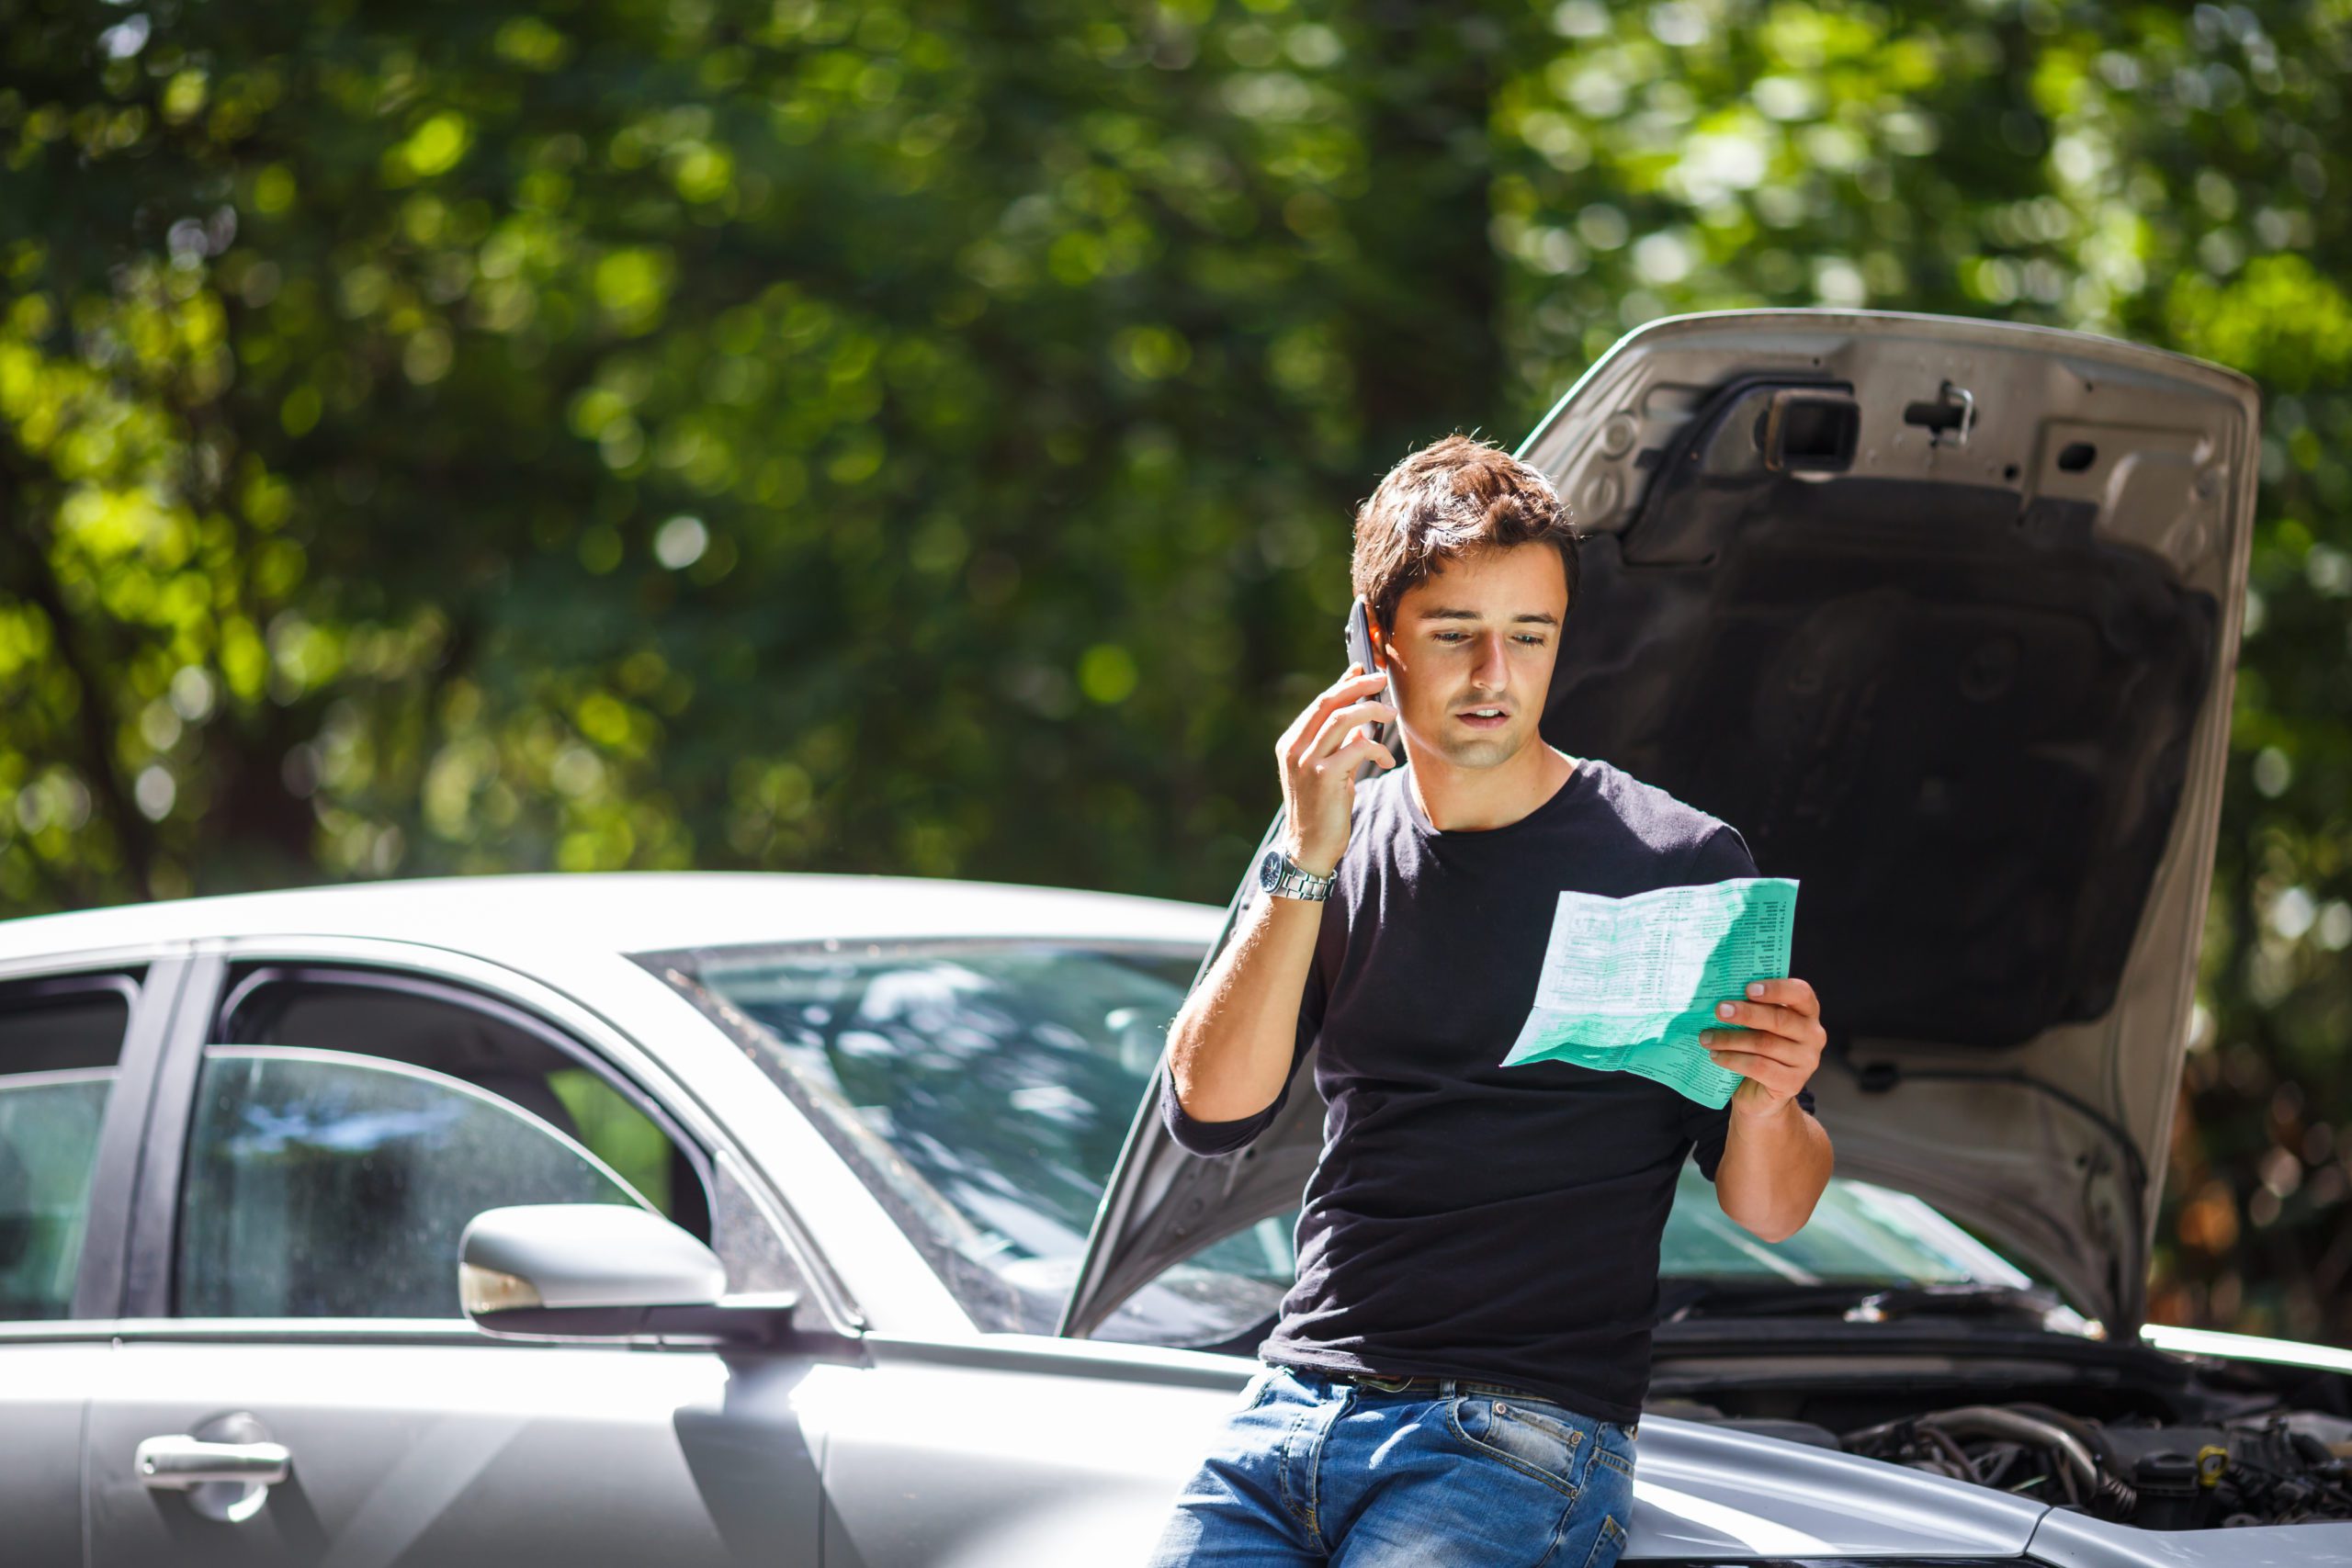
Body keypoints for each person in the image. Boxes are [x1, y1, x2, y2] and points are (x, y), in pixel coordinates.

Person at [1145, 434, 1834, 1568]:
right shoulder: (1327, 841)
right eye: (1454, 635)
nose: (1493, 677)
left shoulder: (1675, 857)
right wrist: (1305, 850)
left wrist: (1770, 1101)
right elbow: (1208, 1111)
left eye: (1529, 637)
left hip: (1517, 1434)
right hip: (1291, 1406)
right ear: (1377, 642)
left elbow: (1771, 1210)